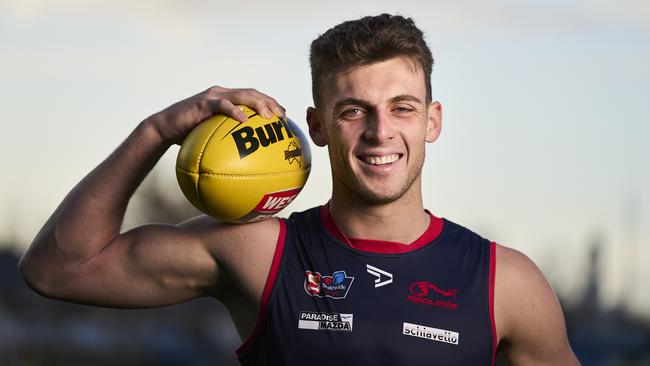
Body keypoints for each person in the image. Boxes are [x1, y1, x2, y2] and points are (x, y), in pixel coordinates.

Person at [19, 14, 579, 365]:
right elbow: (57, 268)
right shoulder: (260, 250)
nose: (380, 132)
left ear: (431, 121)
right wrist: (156, 132)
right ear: (314, 126)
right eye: (353, 110)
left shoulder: (504, 280)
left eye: (401, 108)